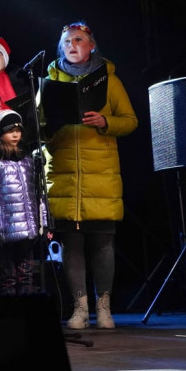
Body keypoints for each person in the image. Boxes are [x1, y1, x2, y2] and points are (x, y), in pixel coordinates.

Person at [45, 22, 137, 330]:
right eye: (67, 41)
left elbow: (130, 121)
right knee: (71, 244)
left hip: (101, 176)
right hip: (65, 176)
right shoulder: (49, 81)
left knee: (102, 243)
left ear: (91, 46)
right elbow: (38, 127)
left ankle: (104, 307)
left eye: (79, 40)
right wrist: (48, 127)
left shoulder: (110, 81)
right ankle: (80, 309)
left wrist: (105, 121)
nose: (72, 45)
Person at [0, 105, 49, 295]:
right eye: (10, 131)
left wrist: (44, 222)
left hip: (28, 232)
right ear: (0, 133)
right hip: (4, 231)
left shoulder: (26, 159)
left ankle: (27, 318)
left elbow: (37, 194)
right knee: (7, 278)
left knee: (27, 276)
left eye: (18, 130)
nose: (15, 135)